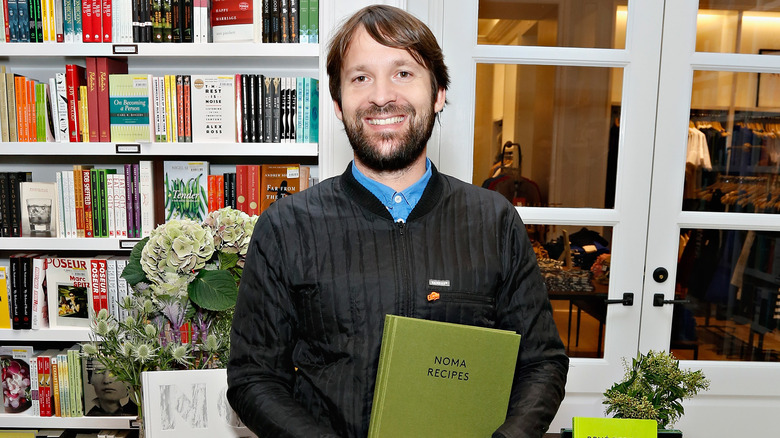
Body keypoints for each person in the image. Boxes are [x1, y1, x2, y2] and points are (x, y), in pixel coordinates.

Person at [227, 5, 569, 438]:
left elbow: (542, 362)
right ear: (337, 102)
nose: (381, 96)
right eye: (360, 77)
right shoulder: (286, 227)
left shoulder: (494, 220)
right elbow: (253, 377)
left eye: (403, 73)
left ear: (439, 92)